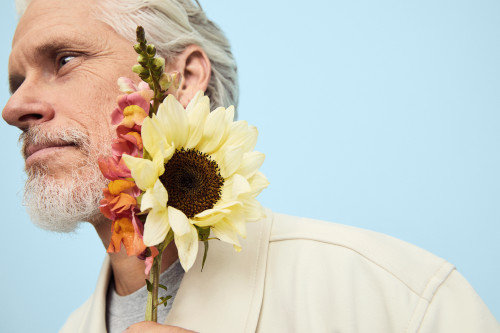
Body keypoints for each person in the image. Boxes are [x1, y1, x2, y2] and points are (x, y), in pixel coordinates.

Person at [3, 0, 499, 332]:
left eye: (64, 59)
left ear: (183, 79)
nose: (14, 109)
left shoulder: (399, 297)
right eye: (15, 82)